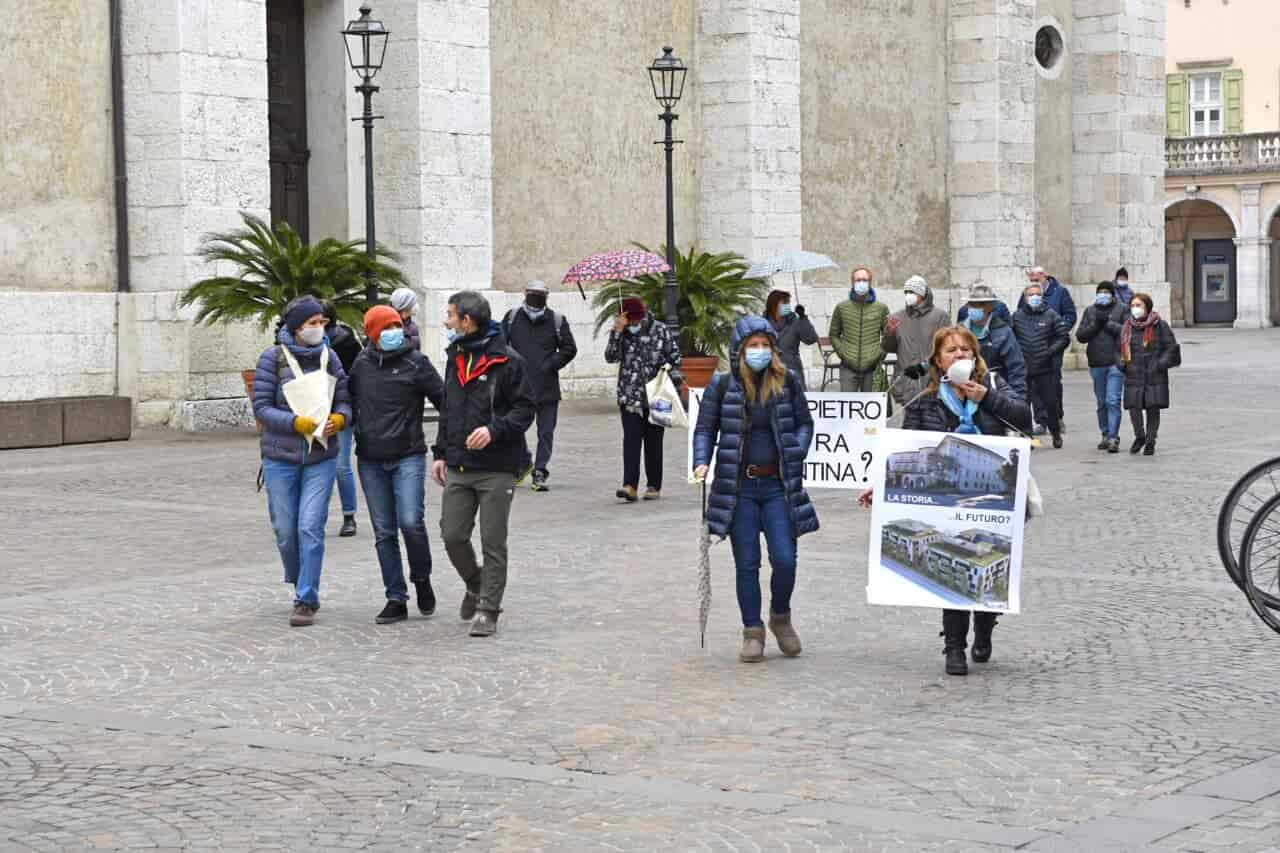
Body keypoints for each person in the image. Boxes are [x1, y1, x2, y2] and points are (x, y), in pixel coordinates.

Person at [859, 326, 1032, 675]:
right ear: (938, 360)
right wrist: (882, 485)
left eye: (966, 350)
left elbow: (1026, 419)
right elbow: (906, 448)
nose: (959, 356)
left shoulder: (994, 387)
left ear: (975, 357)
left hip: (992, 499)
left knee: (985, 561)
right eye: (951, 351)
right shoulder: (925, 400)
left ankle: (985, 626)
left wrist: (987, 399)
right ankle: (954, 646)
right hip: (945, 500)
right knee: (952, 565)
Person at [693, 316, 819, 663]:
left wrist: (797, 448)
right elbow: (705, 429)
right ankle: (752, 630)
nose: (760, 351)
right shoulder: (721, 385)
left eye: (765, 345)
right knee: (746, 563)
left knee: (785, 558)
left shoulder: (787, 381)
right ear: (739, 351)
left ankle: (781, 616)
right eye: (753, 346)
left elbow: (805, 423)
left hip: (778, 486)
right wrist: (701, 461)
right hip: (740, 488)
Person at [431, 291, 536, 637]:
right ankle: (475, 583)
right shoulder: (455, 356)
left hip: (497, 467)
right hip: (459, 465)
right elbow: (448, 408)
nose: (446, 322)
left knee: (493, 541)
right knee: (452, 534)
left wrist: (494, 430)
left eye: (450, 316)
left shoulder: (508, 361)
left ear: (467, 320)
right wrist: (441, 453)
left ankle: (488, 609)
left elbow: (524, 411)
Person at [251, 296, 352, 627]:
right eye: (312, 323)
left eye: (322, 323)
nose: (319, 329)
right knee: (284, 529)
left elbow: (346, 400)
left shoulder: (330, 356)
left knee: (310, 526)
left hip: (321, 456)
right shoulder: (272, 359)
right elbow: (262, 407)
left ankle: (306, 597)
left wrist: (340, 418)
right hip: (281, 456)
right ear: (296, 327)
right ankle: (298, 577)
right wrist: (296, 423)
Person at [349, 305, 446, 624]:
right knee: (383, 531)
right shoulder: (361, 365)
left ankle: (422, 579)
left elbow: (447, 402)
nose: (393, 331)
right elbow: (344, 400)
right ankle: (395, 596)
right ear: (372, 333)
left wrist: (444, 448)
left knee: (410, 521)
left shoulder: (416, 362)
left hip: (408, 454)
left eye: (396, 324)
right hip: (371, 458)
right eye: (385, 327)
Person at [502, 280, 578, 492]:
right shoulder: (512, 317)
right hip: (517, 387)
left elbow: (569, 348)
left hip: (546, 387)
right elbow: (500, 345)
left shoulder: (556, 320)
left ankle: (540, 471)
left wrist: (550, 364)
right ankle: (524, 461)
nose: (535, 298)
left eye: (540, 294)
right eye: (532, 293)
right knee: (513, 429)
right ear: (524, 293)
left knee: (545, 432)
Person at [604, 297, 683, 502]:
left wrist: (666, 371)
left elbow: (675, 357)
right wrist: (617, 332)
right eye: (630, 322)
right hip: (630, 396)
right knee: (631, 441)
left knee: (654, 442)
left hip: (657, 395)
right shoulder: (621, 333)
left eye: (636, 322)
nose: (634, 326)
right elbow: (611, 357)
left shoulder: (660, 330)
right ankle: (629, 485)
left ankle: (654, 485)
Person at [1120, 292, 1180, 456]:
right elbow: (1118, 349)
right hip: (1133, 372)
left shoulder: (1159, 325)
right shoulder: (1127, 326)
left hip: (1154, 373)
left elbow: (1171, 348)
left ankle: (1150, 440)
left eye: (1138, 305)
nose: (1135, 309)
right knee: (1134, 408)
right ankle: (1140, 436)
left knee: (1153, 408)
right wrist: (1122, 364)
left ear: (1147, 307)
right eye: (1133, 305)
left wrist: (1160, 364)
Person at [322, 301, 363, 537]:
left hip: (340, 410)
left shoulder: (345, 343)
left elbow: (355, 378)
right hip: (314, 410)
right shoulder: (303, 345)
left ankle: (349, 515)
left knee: (341, 465)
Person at [1012, 281, 1070, 448]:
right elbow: (1010, 338)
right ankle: (1027, 436)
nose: (1034, 297)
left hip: (1045, 368)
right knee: (1023, 405)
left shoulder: (1051, 315)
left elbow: (1063, 337)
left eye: (1037, 294)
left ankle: (1055, 432)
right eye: (1031, 295)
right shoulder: (1017, 316)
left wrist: (1050, 351)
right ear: (1025, 297)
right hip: (1023, 368)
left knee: (1050, 403)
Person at [1018, 266, 1076, 429]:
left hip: (1052, 348)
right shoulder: (1026, 295)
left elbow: (1070, 315)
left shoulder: (1060, 292)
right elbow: (1019, 314)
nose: (1034, 283)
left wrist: (1060, 329)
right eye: (1031, 280)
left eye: (1036, 279)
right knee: (1034, 386)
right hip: (1032, 350)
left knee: (1053, 383)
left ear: (1044, 276)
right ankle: (1042, 420)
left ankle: (1057, 417)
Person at [1075, 282, 1127, 453]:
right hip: (1097, 363)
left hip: (1115, 362)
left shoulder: (1122, 309)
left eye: (1106, 292)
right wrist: (1096, 324)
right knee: (1101, 402)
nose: (1103, 295)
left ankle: (1114, 437)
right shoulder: (1090, 311)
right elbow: (1081, 336)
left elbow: (1127, 331)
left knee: (1113, 400)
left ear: (1112, 295)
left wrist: (1109, 324)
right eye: (1100, 292)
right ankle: (1105, 433)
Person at [881, 275, 948, 406]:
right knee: (908, 423)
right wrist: (889, 332)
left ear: (922, 293)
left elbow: (945, 347)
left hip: (931, 382)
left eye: (912, 292)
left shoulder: (940, 316)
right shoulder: (897, 317)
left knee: (931, 423)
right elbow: (888, 348)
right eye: (906, 292)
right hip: (906, 382)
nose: (908, 295)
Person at [960, 285, 1027, 402]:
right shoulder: (959, 330)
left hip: (995, 394)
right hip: (964, 393)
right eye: (971, 304)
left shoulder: (1003, 332)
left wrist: (1018, 401)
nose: (973, 308)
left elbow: (1016, 368)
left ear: (989, 307)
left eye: (979, 305)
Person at [828, 267, 889, 392]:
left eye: (864, 280)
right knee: (848, 408)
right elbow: (833, 334)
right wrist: (843, 353)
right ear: (852, 282)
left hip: (872, 368)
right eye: (858, 280)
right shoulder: (842, 308)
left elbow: (888, 336)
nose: (861, 283)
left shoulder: (881, 308)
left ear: (870, 282)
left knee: (871, 409)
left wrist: (879, 355)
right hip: (848, 368)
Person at [765, 289, 818, 390]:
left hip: (792, 371)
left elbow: (811, 339)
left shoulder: (795, 322)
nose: (787, 305)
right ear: (773, 304)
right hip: (769, 373)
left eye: (788, 302)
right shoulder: (762, 323)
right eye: (784, 302)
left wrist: (803, 318)